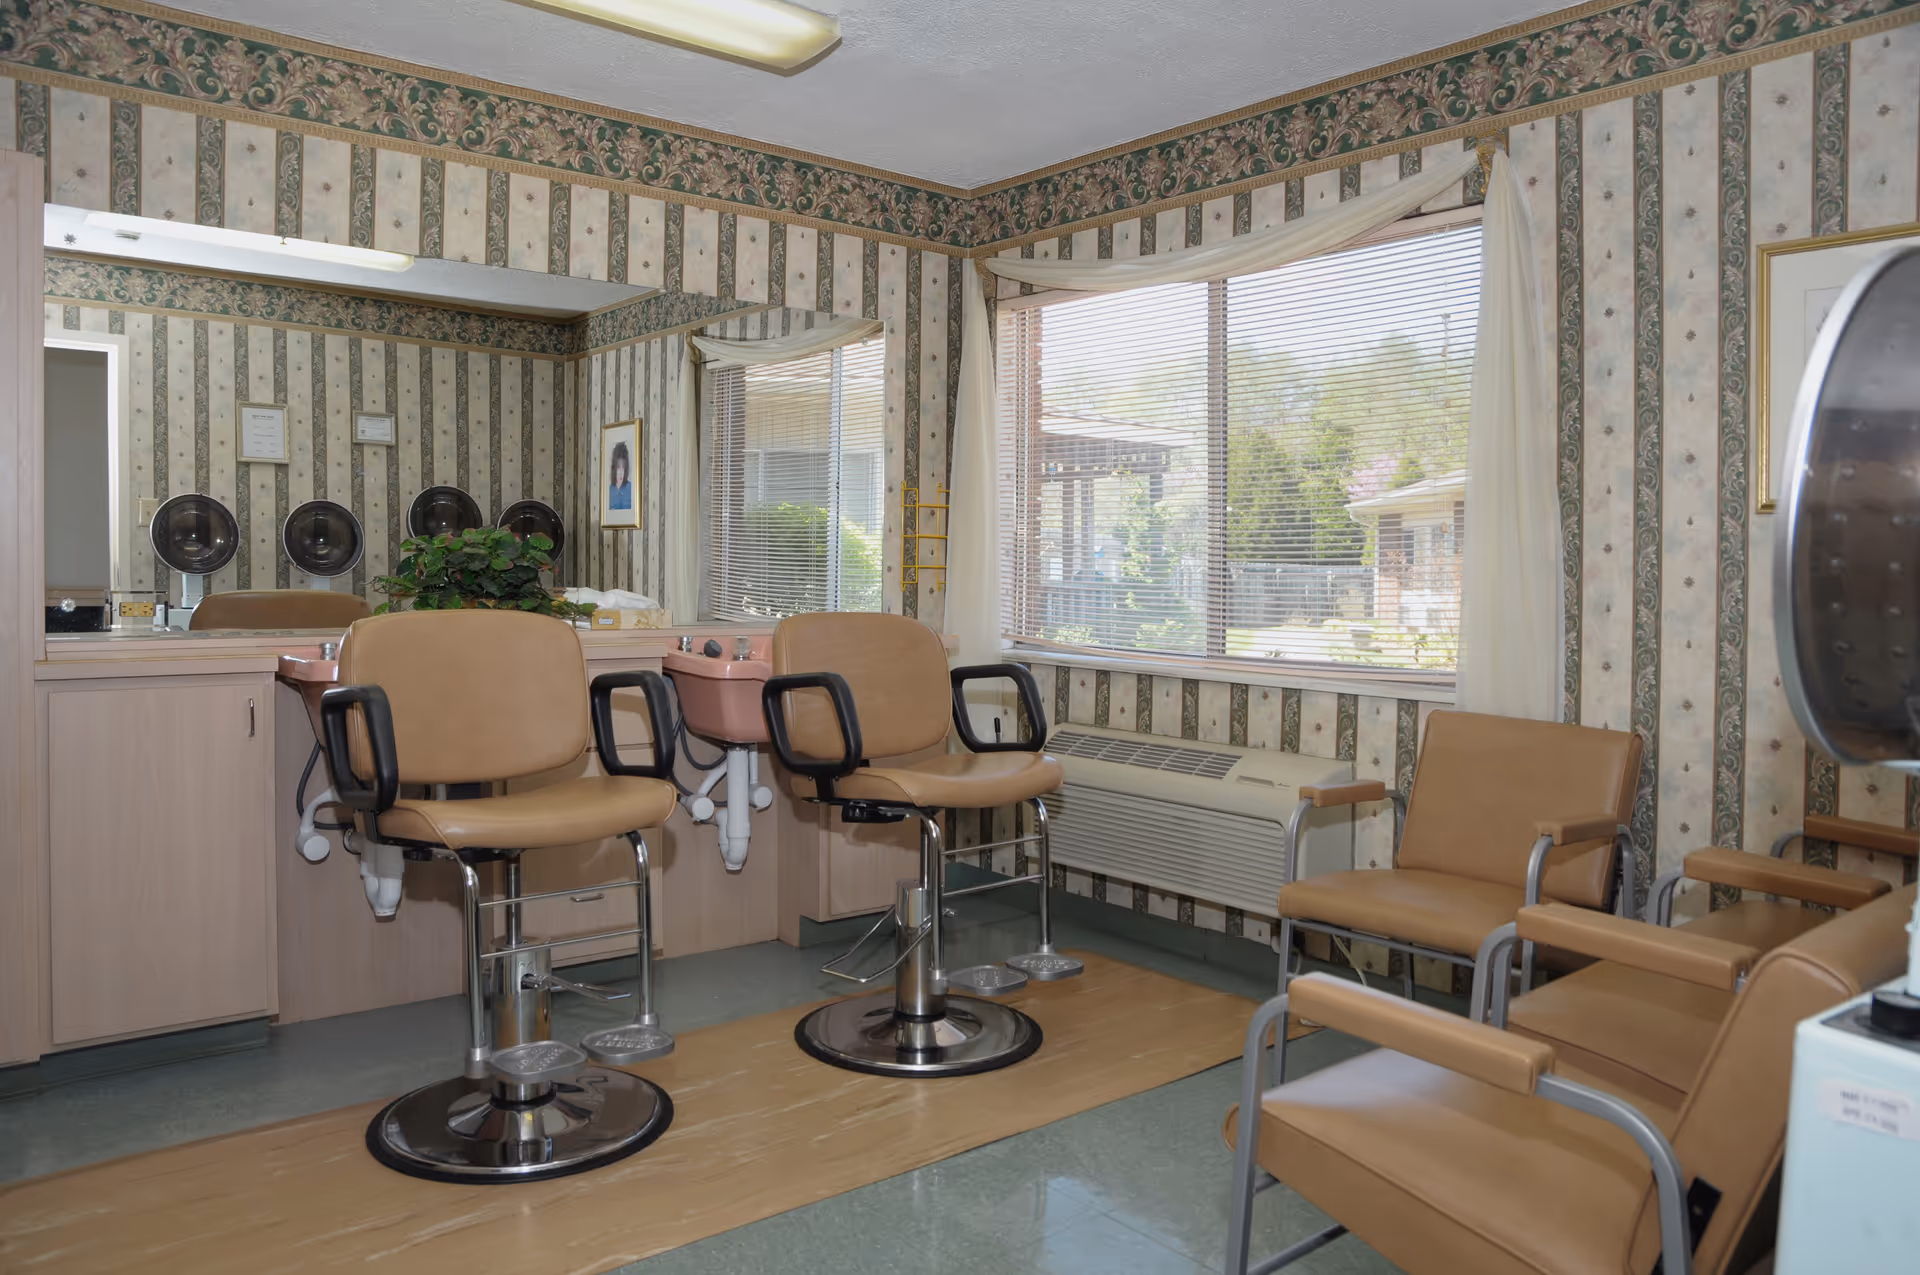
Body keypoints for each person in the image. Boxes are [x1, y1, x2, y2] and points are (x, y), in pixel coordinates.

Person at [608, 440, 633, 512]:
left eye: (623, 468)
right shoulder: (610, 489)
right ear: (614, 468)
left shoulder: (630, 488)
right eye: (618, 467)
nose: (621, 472)